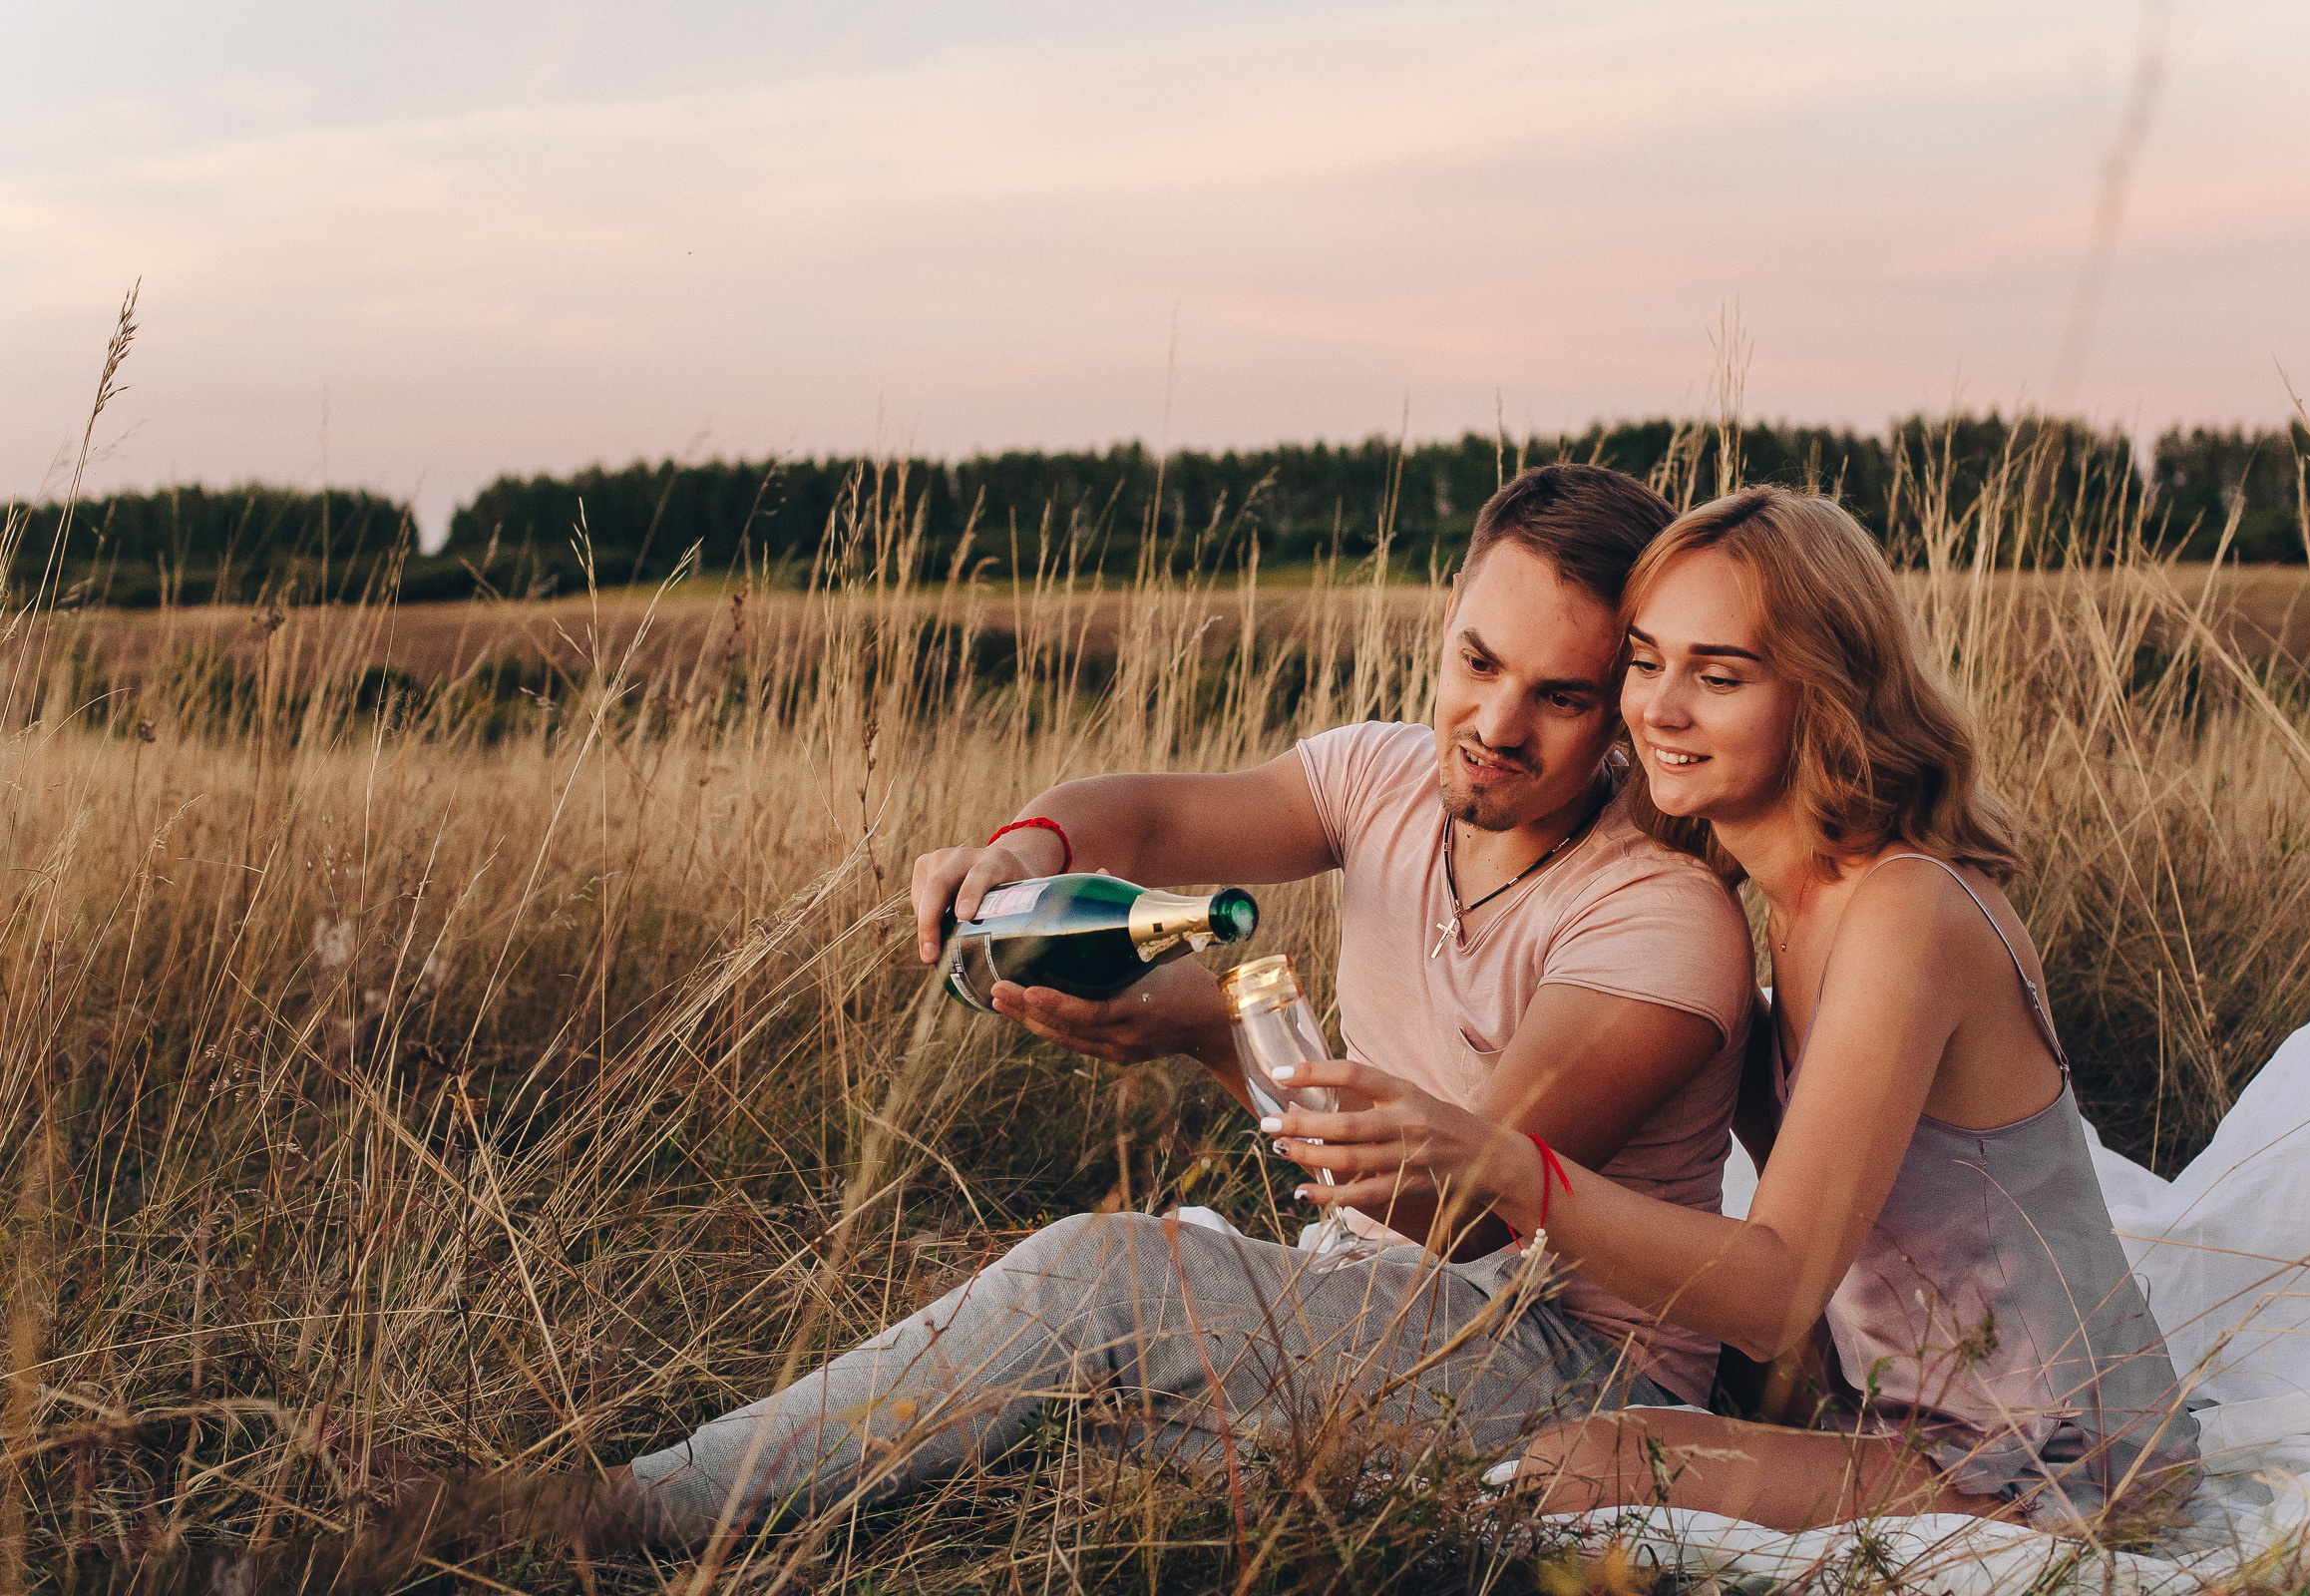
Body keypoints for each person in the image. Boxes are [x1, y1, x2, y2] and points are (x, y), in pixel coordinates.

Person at [607, 465, 1757, 1543]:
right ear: (1448, 617)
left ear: (1626, 703)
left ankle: (618, 1512)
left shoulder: (1656, 915)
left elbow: (1458, 1212)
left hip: (1569, 1360)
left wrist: (1213, 1032)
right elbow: (1149, 820)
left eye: (1560, 695)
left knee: (1102, 1283)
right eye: (1479, 662)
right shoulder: (1385, 777)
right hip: (1375, 1287)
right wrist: (1022, 855)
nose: (1498, 725)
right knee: (1040, 1384)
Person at [1255, 486, 2202, 1532]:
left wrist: (1507, 1167)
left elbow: (1776, 1289)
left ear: (1825, 694)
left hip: (2052, 1459)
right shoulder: (1780, 907)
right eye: (1645, 662)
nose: (1660, 709)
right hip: (1888, 1418)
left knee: (1571, 1469)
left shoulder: (1907, 912)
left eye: (1718, 676)